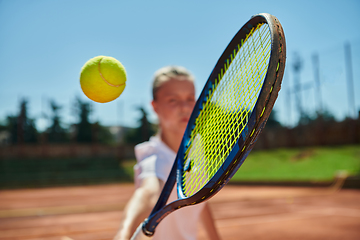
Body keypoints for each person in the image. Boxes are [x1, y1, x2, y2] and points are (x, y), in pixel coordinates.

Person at [113, 66, 221, 240]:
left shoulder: (196, 147)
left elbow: (199, 200)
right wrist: (123, 233)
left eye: (190, 99)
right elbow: (147, 193)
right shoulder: (153, 156)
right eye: (173, 100)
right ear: (155, 107)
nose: (184, 107)